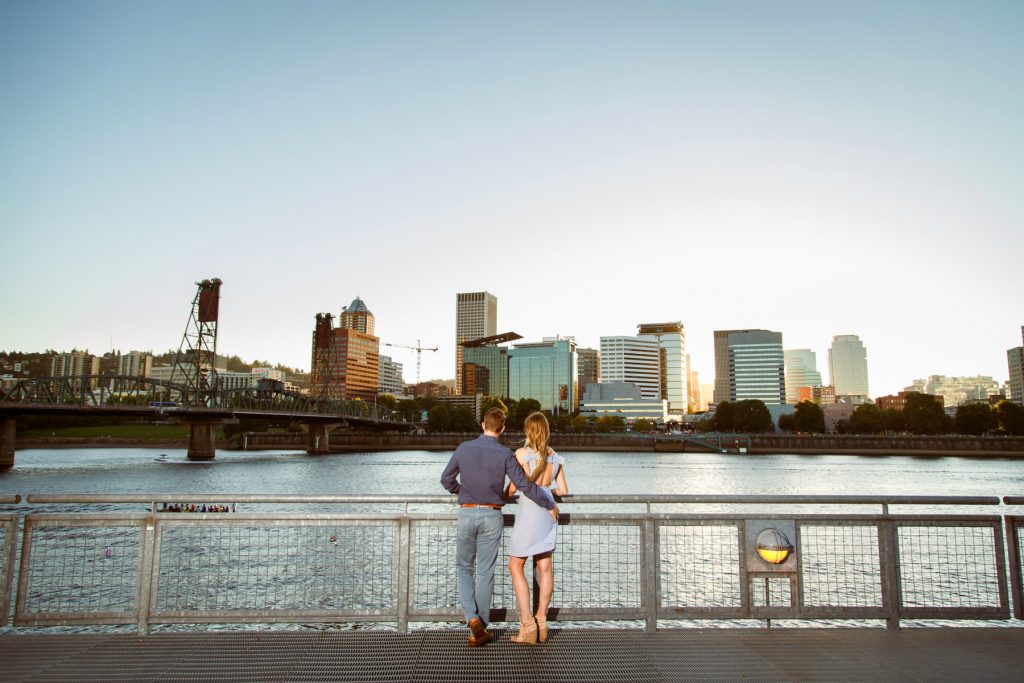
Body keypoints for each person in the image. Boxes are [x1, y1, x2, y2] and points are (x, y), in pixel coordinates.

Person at [441, 407, 558, 647]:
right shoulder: (505, 453)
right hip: (492, 515)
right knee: (485, 571)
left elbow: (446, 479)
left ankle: (472, 618)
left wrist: (462, 492)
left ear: (483, 425)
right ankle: (481, 628)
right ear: (502, 429)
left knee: (464, 568)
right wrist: (549, 503)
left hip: (467, 512)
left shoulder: (464, 448)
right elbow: (525, 485)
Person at [505, 411, 568, 644]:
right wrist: (548, 492)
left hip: (529, 511)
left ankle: (527, 622)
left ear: (527, 431)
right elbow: (563, 490)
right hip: (548, 511)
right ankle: (542, 618)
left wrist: (503, 495)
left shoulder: (521, 454)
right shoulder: (555, 457)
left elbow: (513, 488)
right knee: (545, 567)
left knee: (515, 565)